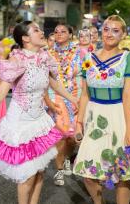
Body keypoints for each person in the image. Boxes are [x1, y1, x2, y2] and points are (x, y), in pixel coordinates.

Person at [0, 21, 78, 204]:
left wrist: (74, 99)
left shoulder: (44, 57)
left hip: (40, 122)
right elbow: (3, 90)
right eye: (36, 30)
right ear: (26, 38)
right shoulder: (17, 60)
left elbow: (53, 83)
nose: (42, 32)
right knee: (27, 177)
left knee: (40, 172)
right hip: (21, 125)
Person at [73, 15, 130, 204]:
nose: (109, 34)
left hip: (119, 115)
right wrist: (79, 122)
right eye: (106, 29)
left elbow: (128, 95)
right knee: (87, 172)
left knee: (122, 175)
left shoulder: (129, 58)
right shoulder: (88, 58)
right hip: (94, 118)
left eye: (115, 30)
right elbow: (84, 93)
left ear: (123, 34)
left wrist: (129, 130)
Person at [48, 23, 82, 186]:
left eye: (63, 31)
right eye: (56, 31)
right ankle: (59, 170)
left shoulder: (79, 52)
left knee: (72, 138)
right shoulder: (48, 53)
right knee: (60, 136)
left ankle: (67, 157)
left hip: (75, 96)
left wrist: (78, 71)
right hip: (56, 98)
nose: (59, 33)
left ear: (70, 34)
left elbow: (87, 70)